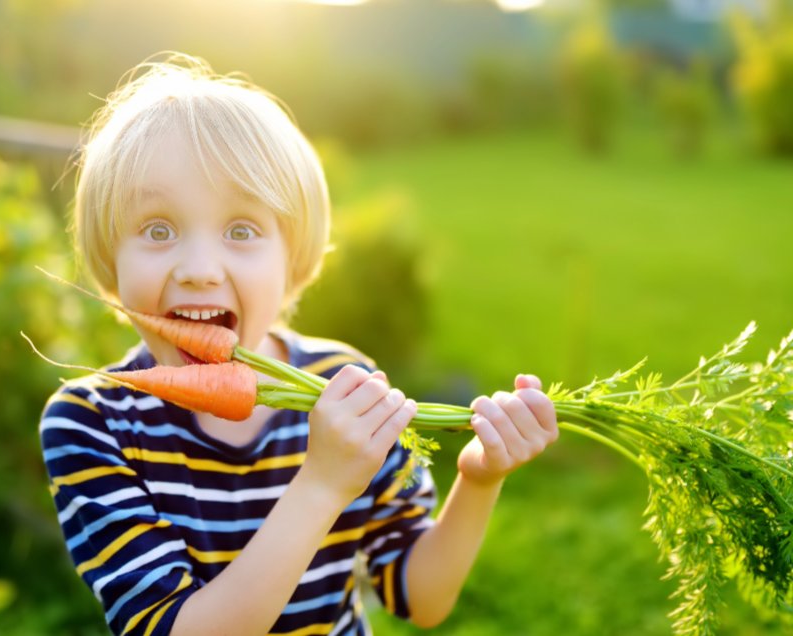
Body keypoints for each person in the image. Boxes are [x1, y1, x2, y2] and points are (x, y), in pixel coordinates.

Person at [39, 53, 559, 636]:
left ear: (293, 261)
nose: (200, 269)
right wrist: (322, 484)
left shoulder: (346, 382)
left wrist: (479, 477)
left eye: (242, 230)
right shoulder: (91, 422)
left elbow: (421, 598)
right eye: (157, 229)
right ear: (111, 259)